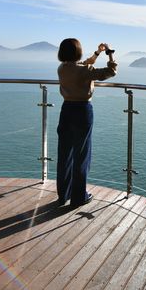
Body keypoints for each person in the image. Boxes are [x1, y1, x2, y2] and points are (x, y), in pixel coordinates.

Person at [56, 38, 117, 207]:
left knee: (65, 154)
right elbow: (110, 72)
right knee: (81, 155)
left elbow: (83, 65)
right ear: (78, 52)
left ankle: (63, 195)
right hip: (82, 111)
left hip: (66, 110)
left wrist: (97, 53)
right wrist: (110, 55)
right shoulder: (84, 71)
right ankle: (78, 197)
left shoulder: (62, 68)